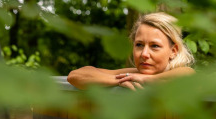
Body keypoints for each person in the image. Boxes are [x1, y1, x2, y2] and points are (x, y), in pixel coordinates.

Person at [67, 12, 195, 90]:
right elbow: (76, 76)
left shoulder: (179, 73)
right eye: (139, 44)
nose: (144, 54)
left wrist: (143, 80)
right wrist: (120, 81)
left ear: (174, 51)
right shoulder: (132, 75)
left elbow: (188, 74)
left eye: (154, 46)